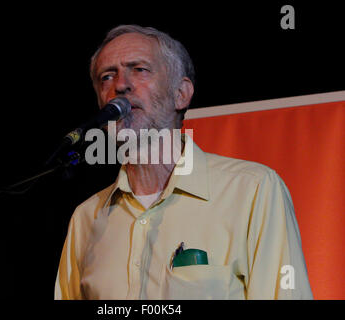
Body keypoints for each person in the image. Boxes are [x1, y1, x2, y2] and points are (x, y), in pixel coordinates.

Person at [54, 25, 313, 299]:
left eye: (139, 69)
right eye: (107, 76)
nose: (121, 84)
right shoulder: (86, 217)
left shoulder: (253, 190)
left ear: (181, 94)